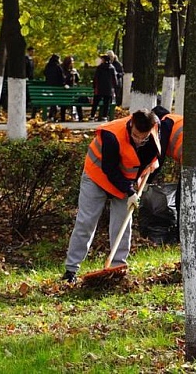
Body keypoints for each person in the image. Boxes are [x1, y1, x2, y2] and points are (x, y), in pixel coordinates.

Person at [62, 110, 161, 283]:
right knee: (86, 221)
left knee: (122, 223)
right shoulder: (112, 134)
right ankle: (71, 270)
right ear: (131, 124)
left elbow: (150, 159)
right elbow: (109, 169)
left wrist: (148, 170)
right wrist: (130, 191)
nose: (139, 140)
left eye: (143, 137)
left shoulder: (153, 133)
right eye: (136, 136)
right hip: (97, 176)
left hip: (125, 181)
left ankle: (117, 268)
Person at [151, 106, 196, 234]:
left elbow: (159, 155)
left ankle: (184, 234)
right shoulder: (177, 119)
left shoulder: (165, 123)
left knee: (184, 195)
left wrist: (148, 179)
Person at [90, 53, 118, 121]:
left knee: (95, 103)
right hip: (108, 89)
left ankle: (92, 116)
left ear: (104, 60)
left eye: (102, 59)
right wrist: (115, 86)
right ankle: (104, 116)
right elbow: (114, 79)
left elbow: (96, 78)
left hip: (99, 88)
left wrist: (94, 86)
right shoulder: (112, 68)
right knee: (106, 103)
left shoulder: (100, 67)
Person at [43, 54, 66, 121]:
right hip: (57, 87)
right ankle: (54, 115)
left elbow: (44, 73)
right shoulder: (58, 67)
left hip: (49, 87)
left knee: (53, 101)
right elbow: (61, 77)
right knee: (57, 100)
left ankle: (52, 114)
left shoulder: (48, 66)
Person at [62, 55, 82, 121]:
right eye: (71, 61)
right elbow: (64, 80)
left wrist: (76, 74)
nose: (72, 63)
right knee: (63, 103)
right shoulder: (63, 70)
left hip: (73, 92)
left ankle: (80, 118)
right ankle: (62, 118)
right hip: (65, 92)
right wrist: (70, 74)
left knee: (78, 100)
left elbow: (77, 80)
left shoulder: (73, 70)